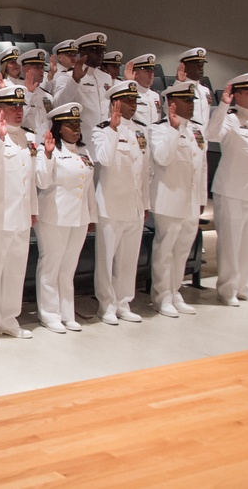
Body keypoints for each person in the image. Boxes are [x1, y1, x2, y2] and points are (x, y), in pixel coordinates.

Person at [0, 85, 38, 344]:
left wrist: (33, 210)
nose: (18, 111)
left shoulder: (29, 138)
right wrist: (1, 139)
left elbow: (31, 180)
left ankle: (9, 319)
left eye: (21, 106)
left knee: (15, 271)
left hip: (22, 217)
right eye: (13, 107)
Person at [207, 73, 248, 306]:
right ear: (236, 95)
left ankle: (243, 286)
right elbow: (212, 134)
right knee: (231, 242)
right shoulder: (230, 118)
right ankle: (227, 289)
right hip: (232, 190)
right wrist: (223, 105)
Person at [92, 80, 151, 325]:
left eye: (135, 100)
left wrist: (145, 203)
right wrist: (114, 130)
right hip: (110, 204)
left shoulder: (141, 130)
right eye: (127, 100)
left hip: (134, 204)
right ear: (115, 102)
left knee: (128, 258)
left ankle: (124, 301)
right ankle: (106, 304)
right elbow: (104, 159)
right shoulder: (101, 129)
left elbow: (145, 168)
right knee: (106, 260)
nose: (133, 104)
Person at [34, 102, 96, 333]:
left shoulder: (83, 151)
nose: (76, 128)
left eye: (78, 123)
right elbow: (42, 181)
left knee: (69, 267)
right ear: (59, 128)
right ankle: (49, 314)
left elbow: (88, 187)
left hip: (79, 217)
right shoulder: (47, 150)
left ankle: (67, 312)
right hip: (54, 216)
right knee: (51, 265)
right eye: (70, 124)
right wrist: (48, 155)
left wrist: (92, 216)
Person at [149, 80, 207, 318]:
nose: (191, 104)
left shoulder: (197, 129)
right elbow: (162, 158)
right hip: (169, 198)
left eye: (192, 100)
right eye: (186, 100)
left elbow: (200, 166)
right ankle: (162, 296)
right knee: (165, 249)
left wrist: (202, 197)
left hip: (191, 200)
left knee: (182, 249)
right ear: (172, 104)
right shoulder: (158, 129)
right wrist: (173, 130)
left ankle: (175, 290)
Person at [56, 32, 113, 157]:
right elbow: (59, 105)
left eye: (102, 50)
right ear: (82, 53)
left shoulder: (106, 78)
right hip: (83, 144)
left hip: (106, 143)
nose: (100, 54)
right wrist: (75, 80)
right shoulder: (66, 77)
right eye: (94, 50)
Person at [178, 47, 213, 130]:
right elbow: (168, 110)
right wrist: (179, 84)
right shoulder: (178, 89)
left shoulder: (205, 90)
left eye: (202, 64)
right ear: (184, 66)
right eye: (197, 65)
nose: (201, 67)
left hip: (203, 138)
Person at [126, 54, 163, 126]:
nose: (151, 74)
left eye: (152, 71)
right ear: (135, 74)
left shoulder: (155, 95)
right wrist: (128, 83)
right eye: (147, 71)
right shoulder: (128, 94)